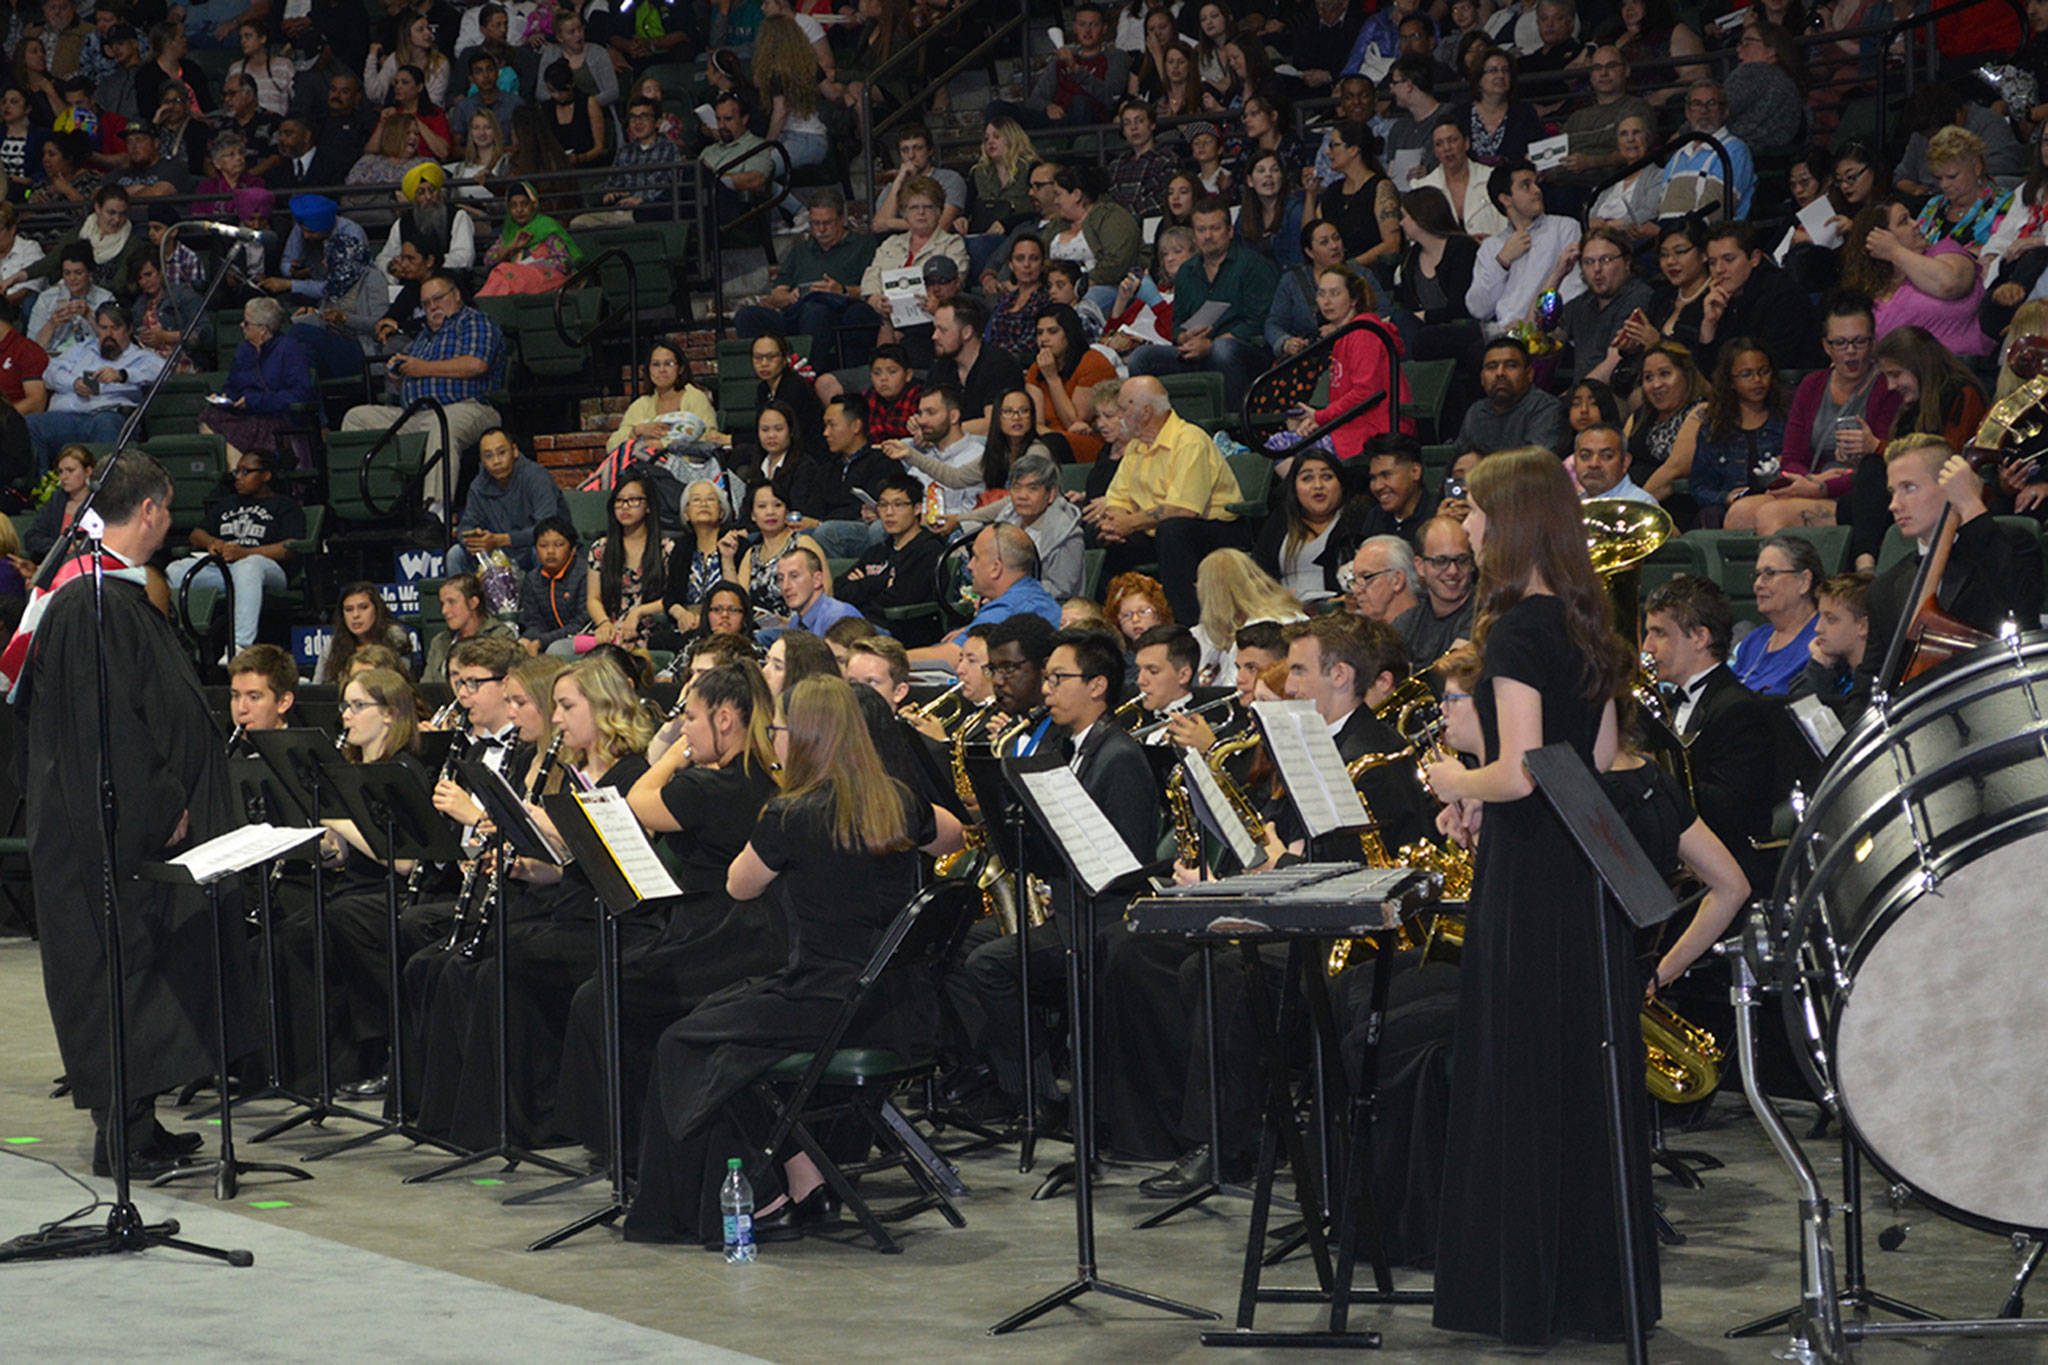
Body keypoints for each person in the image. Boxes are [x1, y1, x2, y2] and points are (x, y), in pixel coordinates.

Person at [1417, 447, 1652, 1347]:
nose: (1469, 529)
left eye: (1477, 513)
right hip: (1580, 875)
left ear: (1511, 520)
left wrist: (1457, 779)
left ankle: (1519, 1296)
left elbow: (1519, 769)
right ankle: (1589, 1293)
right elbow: (1582, 766)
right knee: (1575, 1082)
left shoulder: (1515, 629)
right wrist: (1490, 788)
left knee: (1518, 1079)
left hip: (1528, 885)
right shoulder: (1589, 622)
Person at [625, 674, 962, 1245]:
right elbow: (952, 836)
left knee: (690, 1041)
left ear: (805, 738)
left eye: (779, 729)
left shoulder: (792, 815)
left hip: (827, 1000)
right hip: (901, 1002)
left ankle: (761, 1197)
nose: (773, 739)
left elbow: (739, 886)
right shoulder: (896, 801)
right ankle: (808, 1181)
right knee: (729, 1029)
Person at [13, 452, 250, 1174]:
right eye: (169, 509)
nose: (171, 523)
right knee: (114, 974)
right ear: (146, 510)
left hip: (124, 832)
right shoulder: (92, 604)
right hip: (108, 836)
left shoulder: (106, 596)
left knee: (145, 974)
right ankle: (121, 1137)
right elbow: (108, 728)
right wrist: (155, 810)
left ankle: (141, 1124)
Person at [1865, 436, 2044, 674]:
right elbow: (1870, 677)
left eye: (1909, 488)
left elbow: (2023, 608)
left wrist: (1970, 504)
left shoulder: (2012, 544)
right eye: (1893, 491)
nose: (1894, 505)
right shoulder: (1883, 589)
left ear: (1950, 485)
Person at [1641, 575, 1777, 878]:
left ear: (1700, 638)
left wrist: (1656, 771)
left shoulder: (1737, 709)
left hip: (1721, 875)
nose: (1646, 647)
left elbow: (1730, 810)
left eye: (1658, 633)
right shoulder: (1664, 703)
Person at [1095, 375, 1248, 621]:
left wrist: (1129, 523)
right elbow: (1117, 498)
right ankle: (1118, 623)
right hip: (1156, 530)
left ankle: (1186, 624)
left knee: (1173, 530)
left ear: (1144, 412)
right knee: (1102, 536)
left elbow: (1184, 509)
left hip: (1214, 529)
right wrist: (1116, 523)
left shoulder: (1190, 440)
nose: (1120, 417)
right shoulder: (1136, 446)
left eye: (1123, 410)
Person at [341, 272, 509, 490]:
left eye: (438, 299)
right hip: (417, 413)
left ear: (456, 295)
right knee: (356, 418)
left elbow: (476, 364)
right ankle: (378, 504)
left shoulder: (473, 321)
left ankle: (435, 513)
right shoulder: (424, 336)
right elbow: (416, 379)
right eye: (426, 303)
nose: (432, 307)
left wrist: (422, 368)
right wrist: (400, 376)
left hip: (469, 407)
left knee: (441, 425)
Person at [1126, 197, 1279, 414]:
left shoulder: (1253, 265)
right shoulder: (1186, 272)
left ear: (1229, 231)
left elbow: (1259, 322)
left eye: (1215, 228)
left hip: (1244, 351)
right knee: (1142, 358)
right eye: (1201, 230)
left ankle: (1235, 429)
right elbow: (1177, 324)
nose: (1208, 236)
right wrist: (1184, 338)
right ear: (1194, 235)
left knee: (1222, 350)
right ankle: (1155, 431)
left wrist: (1211, 344)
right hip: (1196, 351)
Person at [165, 450, 306, 655]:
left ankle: (239, 646)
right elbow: (196, 534)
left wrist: (246, 553)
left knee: (249, 566)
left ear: (266, 476)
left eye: (245, 472)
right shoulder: (228, 504)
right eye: (236, 472)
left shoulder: (284, 506)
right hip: (226, 569)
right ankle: (178, 642)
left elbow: (291, 546)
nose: (238, 478)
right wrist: (213, 543)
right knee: (175, 570)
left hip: (267, 571)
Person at [734, 191, 882, 373]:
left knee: (816, 311)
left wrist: (842, 290)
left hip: (837, 312)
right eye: (815, 223)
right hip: (797, 310)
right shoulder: (801, 251)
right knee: (746, 316)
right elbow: (776, 295)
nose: (821, 229)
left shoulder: (863, 245)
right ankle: (762, 379)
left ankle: (808, 376)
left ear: (842, 220)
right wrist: (790, 297)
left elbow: (874, 290)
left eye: (827, 223)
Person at [1284, 265, 1411, 459]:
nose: (1326, 301)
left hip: (1375, 431)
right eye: (1321, 294)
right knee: (1286, 442)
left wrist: (1320, 417)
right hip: (1351, 427)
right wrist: (1315, 420)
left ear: (1353, 299)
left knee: (1282, 448)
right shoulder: (1344, 335)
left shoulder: (1364, 332)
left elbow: (1365, 393)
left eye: (1335, 293)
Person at [1838, 200, 1990, 361]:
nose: (1916, 224)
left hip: (1967, 367)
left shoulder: (1944, 251)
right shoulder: (1868, 296)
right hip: (1904, 377)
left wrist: (1895, 251)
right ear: (1880, 238)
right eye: (1904, 221)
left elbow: (1950, 284)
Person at [26, 302, 166, 472]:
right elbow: (49, 373)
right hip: (67, 417)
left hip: (106, 417)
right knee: (31, 424)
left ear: (129, 329)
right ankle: (44, 491)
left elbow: (162, 371)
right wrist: (74, 383)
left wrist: (122, 375)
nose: (109, 334)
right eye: (103, 328)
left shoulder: (139, 357)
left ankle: (104, 492)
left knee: (105, 423)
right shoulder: (80, 350)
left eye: (115, 328)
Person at [905, 523, 1062, 670]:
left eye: (976, 557)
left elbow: (952, 659)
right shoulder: (1030, 594)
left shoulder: (1006, 609)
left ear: (995, 568)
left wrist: (892, 658)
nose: (970, 565)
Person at [1465, 159, 1583, 338]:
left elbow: (1573, 291)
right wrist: (1502, 261)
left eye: (1536, 184)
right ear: (1506, 199)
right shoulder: (1491, 247)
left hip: (1549, 332)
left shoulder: (1564, 228)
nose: (1537, 190)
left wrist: (1532, 324)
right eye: (1526, 185)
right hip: (1504, 335)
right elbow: (1479, 309)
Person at [955, 452, 1086, 601]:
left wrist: (1006, 591)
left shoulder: (1066, 532)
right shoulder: (1007, 517)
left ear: (1050, 494)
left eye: (1032, 489)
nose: (1022, 496)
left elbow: (1061, 589)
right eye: (1017, 488)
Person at [447, 428, 571, 576]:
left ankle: (546, 598)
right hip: (503, 553)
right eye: (488, 456)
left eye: (502, 453)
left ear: (514, 451)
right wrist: (474, 538)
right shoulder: (479, 485)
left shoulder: (536, 477)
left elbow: (546, 530)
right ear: (481, 460)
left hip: (534, 548)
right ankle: (465, 598)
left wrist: (502, 540)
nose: (496, 461)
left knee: (543, 549)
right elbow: (466, 525)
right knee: (455, 555)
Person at [837, 472, 948, 636]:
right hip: (864, 624)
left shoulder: (929, 550)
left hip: (901, 632)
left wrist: (861, 587)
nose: (889, 512)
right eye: (883, 505)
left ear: (917, 508)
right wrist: (879, 583)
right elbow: (839, 589)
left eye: (898, 505)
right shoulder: (877, 551)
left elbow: (901, 599)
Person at [989, 1, 1131, 128]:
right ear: (1075, 27)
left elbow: (1111, 99)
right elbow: (1034, 100)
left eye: (1094, 25)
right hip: (1057, 118)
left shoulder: (1115, 57)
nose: (1087, 31)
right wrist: (1048, 106)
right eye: (1082, 25)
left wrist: (1076, 69)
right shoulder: (1060, 61)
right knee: (997, 108)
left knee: (1080, 102)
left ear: (1104, 28)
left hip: (1090, 119)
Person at [1253, 446, 1366, 604]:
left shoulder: (1356, 519)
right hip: (1285, 611)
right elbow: (1260, 572)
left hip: (1336, 613)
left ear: (1341, 484)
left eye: (1327, 477)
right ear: (1294, 487)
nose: (1318, 485)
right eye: (1307, 478)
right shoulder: (1280, 520)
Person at [1558, 228, 1654, 390]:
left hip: (1614, 395)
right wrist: (1558, 274)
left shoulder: (1638, 296)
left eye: (1606, 260)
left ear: (1627, 263)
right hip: (1583, 395)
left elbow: (1612, 363)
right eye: (1588, 262)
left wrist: (1575, 400)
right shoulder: (1584, 302)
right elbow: (1542, 333)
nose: (1596, 269)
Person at [1730, 533, 1824, 696]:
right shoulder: (1754, 640)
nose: (1758, 584)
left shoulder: (1821, 640)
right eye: (1757, 575)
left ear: (1804, 581)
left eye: (1770, 573)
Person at [1656, 80, 1754, 222]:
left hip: (1709, 238)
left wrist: (1665, 231)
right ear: (1687, 112)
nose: (1704, 110)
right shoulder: (1678, 155)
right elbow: (1662, 206)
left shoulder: (1734, 149)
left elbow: (1717, 212)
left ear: (1725, 111)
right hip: (1669, 236)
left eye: (1711, 103)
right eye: (1697, 104)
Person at [1454, 336, 1566, 457]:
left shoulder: (1546, 409)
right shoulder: (1476, 412)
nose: (1500, 373)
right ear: (1482, 378)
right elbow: (1458, 463)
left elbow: (1535, 466)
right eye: (1492, 367)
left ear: (1529, 374)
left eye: (1511, 365)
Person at [1789, 571, 1872, 727]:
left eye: (1831, 619)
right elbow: (1798, 718)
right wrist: (1819, 664)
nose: (1818, 628)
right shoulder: (1835, 669)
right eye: (1820, 617)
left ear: (1863, 627)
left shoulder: (1876, 684)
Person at [1394, 514, 1476, 663]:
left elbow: (1457, 672)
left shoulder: (1485, 615)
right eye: (1441, 561)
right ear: (1419, 566)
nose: (1453, 571)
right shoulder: (1406, 623)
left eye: (1462, 560)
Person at [478, 181, 583, 296]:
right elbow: (488, 261)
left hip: (547, 280)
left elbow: (564, 262)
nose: (519, 210)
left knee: (503, 271)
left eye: (524, 204)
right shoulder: (509, 233)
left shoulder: (546, 227)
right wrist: (511, 247)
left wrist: (528, 268)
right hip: (516, 282)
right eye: (514, 206)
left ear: (534, 205)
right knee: (501, 274)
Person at [421, 572, 519, 683]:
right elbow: (427, 687)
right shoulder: (439, 642)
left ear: (473, 603)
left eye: (452, 602)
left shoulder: (500, 637)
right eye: (443, 603)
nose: (444, 610)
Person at [1416, 119, 1506, 239]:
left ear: (1466, 143)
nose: (1447, 148)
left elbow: (1508, 228)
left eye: (1453, 140)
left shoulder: (1493, 178)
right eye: (1439, 144)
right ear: (1435, 151)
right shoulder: (1423, 188)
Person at [516, 515, 588, 655]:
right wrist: (527, 639)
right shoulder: (533, 579)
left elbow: (581, 623)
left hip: (584, 636)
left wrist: (541, 641)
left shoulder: (584, 574)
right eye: (543, 545)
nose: (550, 551)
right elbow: (534, 623)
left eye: (559, 545)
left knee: (555, 650)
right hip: (550, 639)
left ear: (573, 549)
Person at [318, 581, 414, 683]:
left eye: (363, 607)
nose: (355, 615)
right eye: (349, 609)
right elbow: (317, 690)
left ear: (377, 610)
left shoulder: (394, 638)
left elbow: (401, 686)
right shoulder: (333, 646)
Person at [1106, 97, 1175, 221]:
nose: (1133, 128)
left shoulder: (1166, 160)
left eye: (1139, 121)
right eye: (1127, 123)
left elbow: (1162, 201)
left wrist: (1123, 215)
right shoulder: (1115, 165)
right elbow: (1109, 199)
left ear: (1152, 124)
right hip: (1119, 228)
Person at [1572, 423, 1655, 505]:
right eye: (1585, 456)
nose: (1594, 464)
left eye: (1607, 456)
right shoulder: (1572, 503)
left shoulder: (1640, 505)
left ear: (1625, 462)